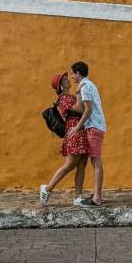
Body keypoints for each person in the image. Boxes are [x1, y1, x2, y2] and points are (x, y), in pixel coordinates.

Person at [39, 72, 89, 205]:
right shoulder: (64, 98)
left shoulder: (69, 96)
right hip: (74, 131)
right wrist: (79, 93)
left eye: (67, 79)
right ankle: (47, 188)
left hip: (81, 130)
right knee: (70, 165)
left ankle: (78, 197)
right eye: (65, 80)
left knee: (82, 164)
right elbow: (79, 109)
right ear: (60, 86)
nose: (68, 81)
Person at [68, 60, 106, 206]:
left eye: (72, 73)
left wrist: (77, 127)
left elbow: (87, 110)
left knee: (96, 161)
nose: (72, 76)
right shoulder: (88, 85)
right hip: (97, 126)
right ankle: (98, 195)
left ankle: (97, 197)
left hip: (94, 127)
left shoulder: (84, 87)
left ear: (78, 73)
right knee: (95, 161)